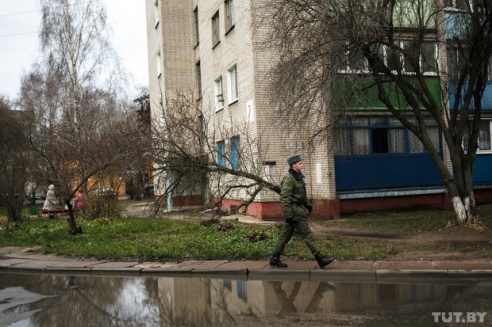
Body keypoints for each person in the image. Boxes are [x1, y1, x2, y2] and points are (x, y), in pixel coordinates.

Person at [270, 154, 335, 268]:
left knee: (285, 236)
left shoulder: (298, 177)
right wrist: (289, 215)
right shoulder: (289, 178)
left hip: (297, 209)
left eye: (301, 163)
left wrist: (307, 204)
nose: (302, 165)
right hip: (294, 211)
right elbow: (285, 198)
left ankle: (274, 258)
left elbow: (301, 194)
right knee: (307, 235)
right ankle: (320, 259)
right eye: (300, 163)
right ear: (293, 165)